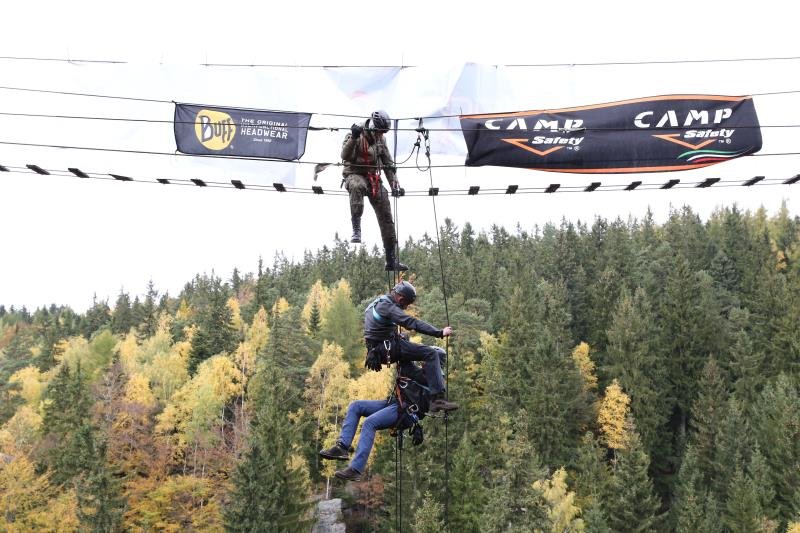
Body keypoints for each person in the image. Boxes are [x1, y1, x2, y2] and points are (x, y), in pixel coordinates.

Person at [318, 280, 457, 481]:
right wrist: (393, 346)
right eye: (406, 303)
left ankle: (356, 470)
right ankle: (342, 447)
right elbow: (407, 358)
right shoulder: (421, 373)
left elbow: (411, 354)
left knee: (370, 424)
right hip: (395, 404)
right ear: (401, 298)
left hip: (404, 412)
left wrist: (401, 344)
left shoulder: (431, 379)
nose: (405, 307)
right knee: (356, 406)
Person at [341, 110, 407, 272]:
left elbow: (388, 164)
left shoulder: (381, 141)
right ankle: (356, 228)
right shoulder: (355, 133)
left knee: (385, 211)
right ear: (372, 127)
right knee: (357, 186)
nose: (380, 135)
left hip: (373, 178)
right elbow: (344, 155)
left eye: (383, 132)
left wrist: (395, 186)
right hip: (354, 174)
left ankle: (391, 259)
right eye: (379, 131)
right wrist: (354, 138)